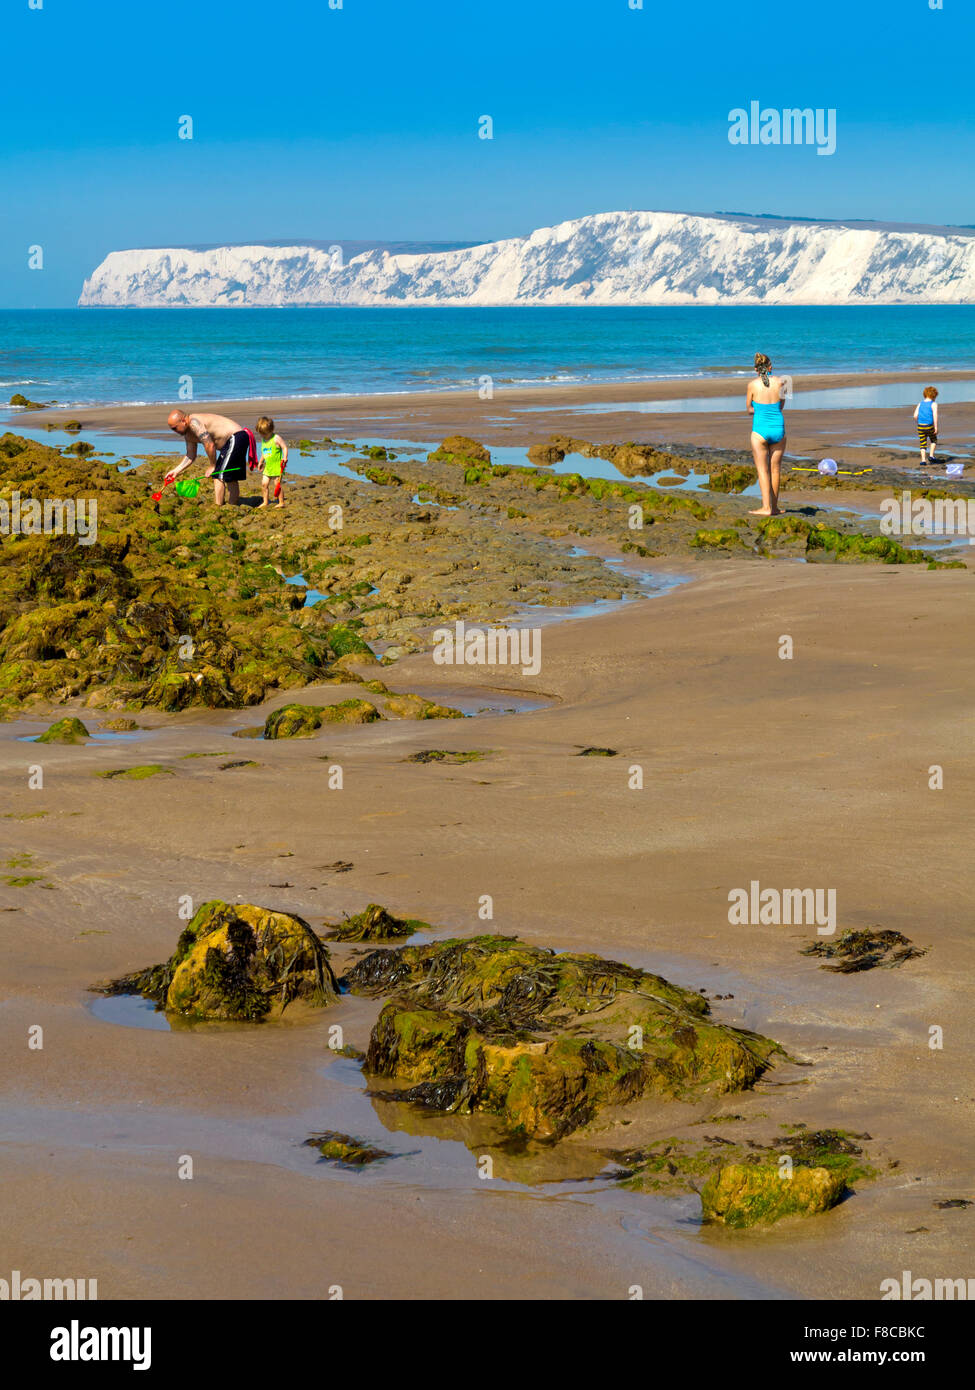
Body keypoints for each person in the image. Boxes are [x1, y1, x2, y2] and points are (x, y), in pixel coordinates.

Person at [165, 410, 252, 506]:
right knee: (229, 477)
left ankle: (220, 507)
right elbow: (191, 455)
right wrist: (176, 471)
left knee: (218, 475)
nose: (174, 431)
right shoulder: (188, 434)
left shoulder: (194, 423)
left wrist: (212, 466)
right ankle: (232, 506)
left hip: (236, 437)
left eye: (175, 428)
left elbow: (209, 445)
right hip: (234, 440)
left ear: (183, 421)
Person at [745, 352, 786, 516]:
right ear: (771, 367)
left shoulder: (752, 385)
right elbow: (781, 406)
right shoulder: (783, 382)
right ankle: (774, 508)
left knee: (763, 471)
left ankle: (766, 508)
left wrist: (758, 409)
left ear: (756, 369)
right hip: (778, 429)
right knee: (775, 470)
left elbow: (749, 409)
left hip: (760, 431)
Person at [255, 415, 288, 509]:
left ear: (271, 430)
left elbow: (284, 447)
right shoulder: (264, 440)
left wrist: (285, 457)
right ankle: (265, 501)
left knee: (277, 484)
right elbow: (264, 452)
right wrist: (261, 462)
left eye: (265, 434)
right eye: (261, 434)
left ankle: (281, 502)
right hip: (268, 467)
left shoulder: (276, 438)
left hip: (277, 466)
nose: (263, 436)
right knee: (264, 484)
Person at [914, 387, 939, 465]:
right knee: (934, 440)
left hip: (920, 426)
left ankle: (923, 460)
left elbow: (915, 415)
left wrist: (919, 422)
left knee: (922, 443)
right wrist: (936, 427)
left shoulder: (920, 403)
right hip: (929, 425)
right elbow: (935, 416)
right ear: (934, 395)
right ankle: (931, 456)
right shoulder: (933, 404)